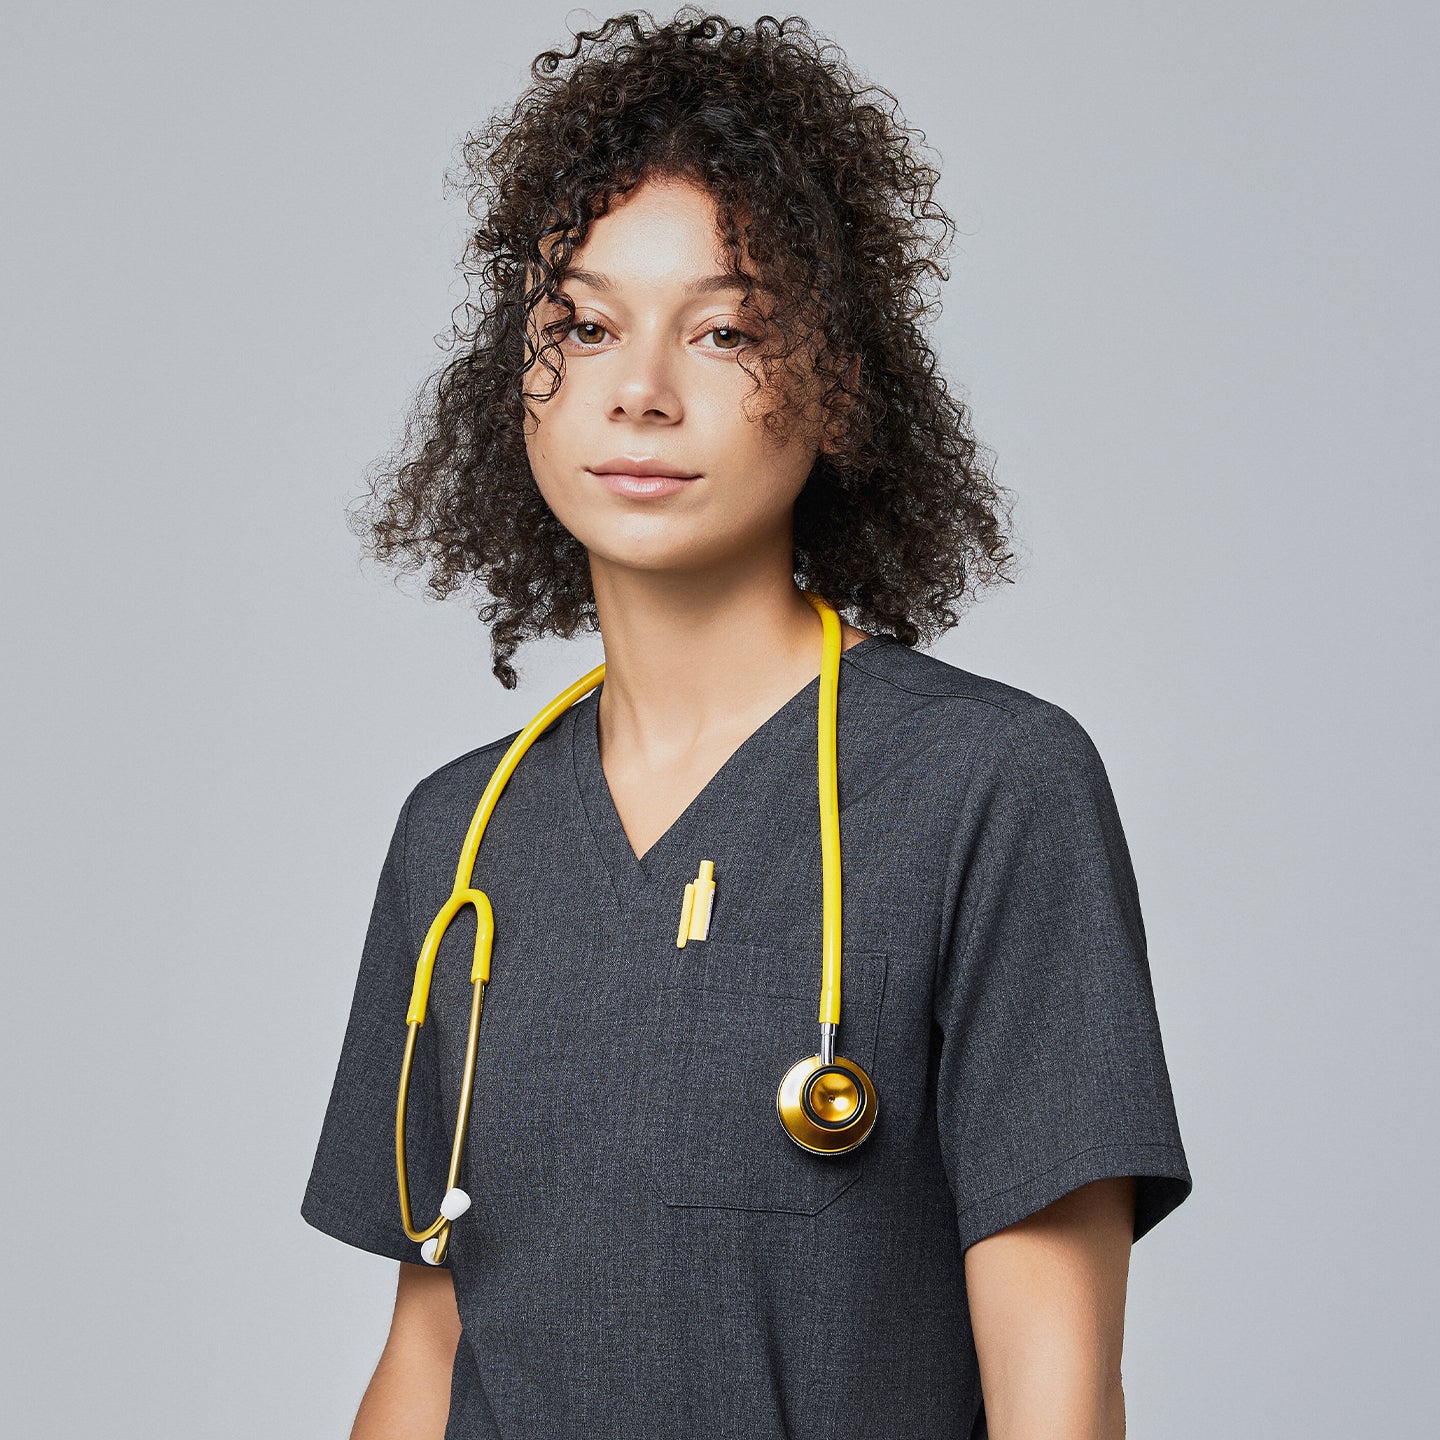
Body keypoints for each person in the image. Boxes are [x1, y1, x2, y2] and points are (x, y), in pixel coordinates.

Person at [300, 10, 1193, 1438]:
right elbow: (427, 1352)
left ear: (837, 382)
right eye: (583, 326)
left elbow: (1058, 1392)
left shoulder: (990, 790)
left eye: (724, 331)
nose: (639, 388)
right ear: (519, 384)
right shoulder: (460, 837)